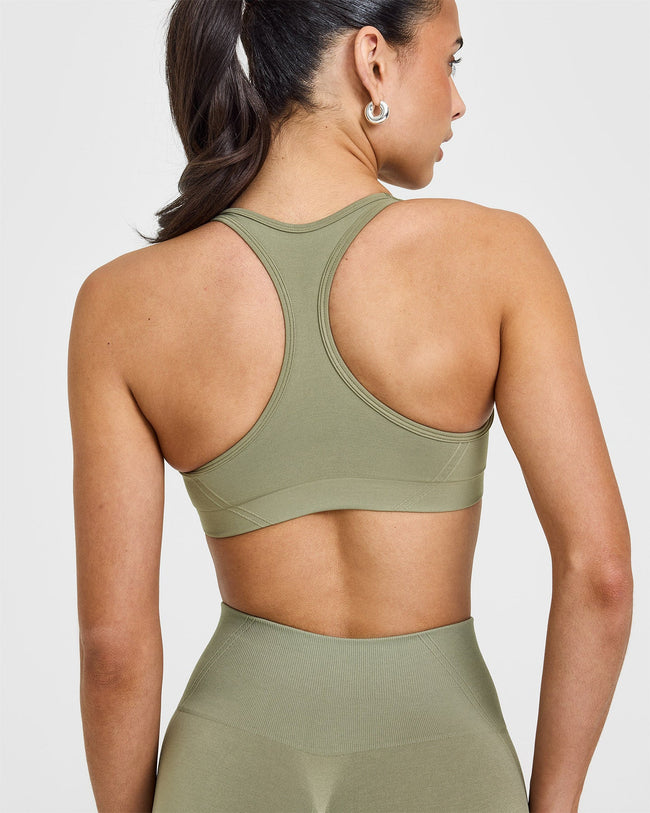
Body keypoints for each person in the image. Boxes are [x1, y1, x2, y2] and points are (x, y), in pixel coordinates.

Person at [68, 0, 633, 810]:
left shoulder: (121, 306)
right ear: (373, 60)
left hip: (227, 758)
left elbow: (112, 652)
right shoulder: (498, 258)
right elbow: (600, 575)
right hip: (447, 757)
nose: (458, 101)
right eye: (450, 60)